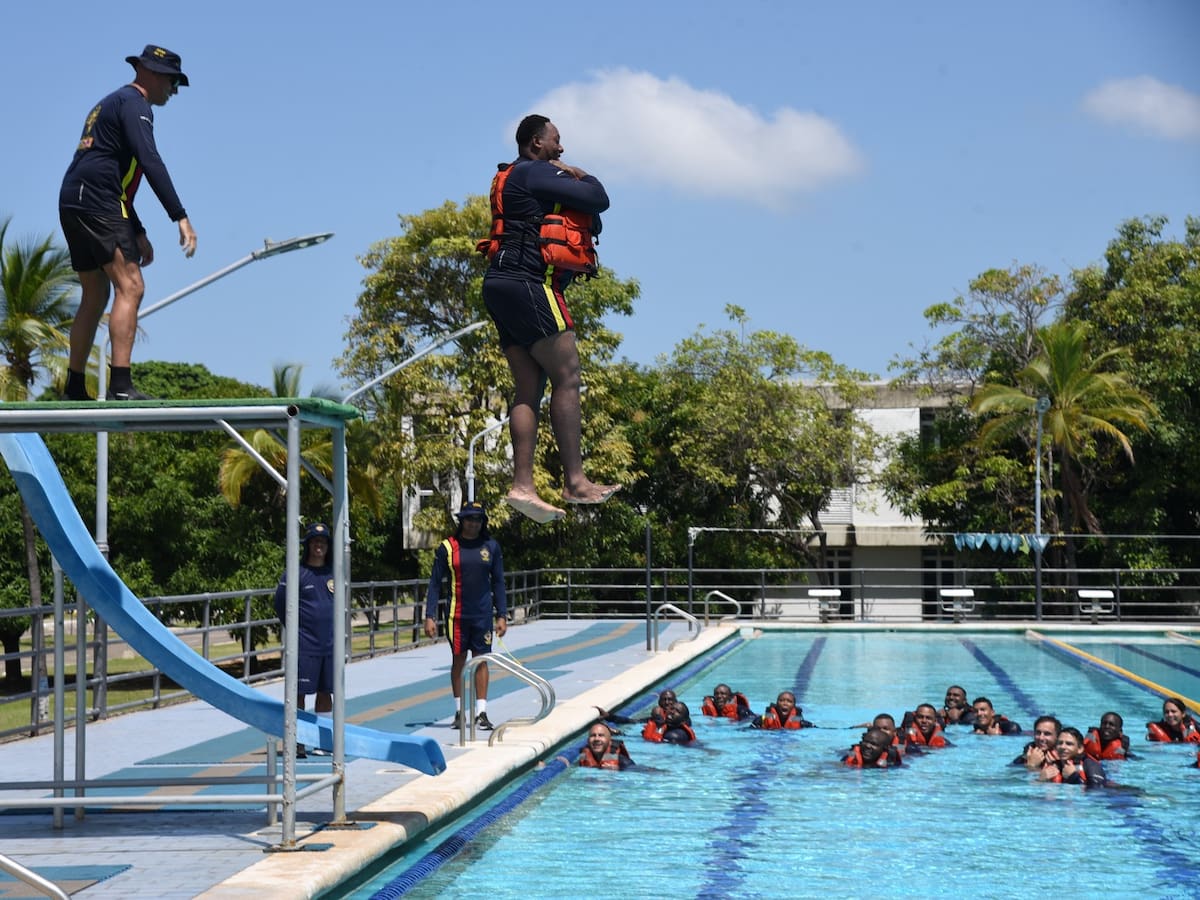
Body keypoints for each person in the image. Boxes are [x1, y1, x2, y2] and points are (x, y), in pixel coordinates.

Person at [480, 114, 620, 523]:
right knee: (568, 377)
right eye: (556, 141)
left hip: (499, 284)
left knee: (528, 387)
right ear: (536, 143)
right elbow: (598, 198)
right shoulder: (535, 172)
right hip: (529, 283)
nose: (562, 149)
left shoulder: (513, 177)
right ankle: (575, 481)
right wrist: (580, 174)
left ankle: (523, 486)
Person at [59, 45, 198, 402]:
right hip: (100, 201)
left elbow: (110, 170)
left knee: (96, 292)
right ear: (150, 73)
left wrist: (137, 230)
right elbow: (150, 161)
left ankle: (74, 387)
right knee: (131, 286)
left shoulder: (109, 102)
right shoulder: (137, 106)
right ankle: (121, 384)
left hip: (74, 198)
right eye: (172, 82)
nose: (173, 91)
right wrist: (179, 216)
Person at [424, 501, 507, 731]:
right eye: (469, 519)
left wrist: (502, 614)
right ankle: (459, 711)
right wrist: (429, 615)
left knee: (482, 661)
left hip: (482, 615)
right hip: (456, 615)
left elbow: (499, 582)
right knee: (459, 660)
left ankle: (481, 712)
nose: (473, 524)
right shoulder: (447, 548)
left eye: (478, 519)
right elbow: (434, 584)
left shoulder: (491, 546)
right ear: (462, 521)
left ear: (483, 522)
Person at [273, 522, 335, 758]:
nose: (318, 546)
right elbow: (280, 603)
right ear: (307, 545)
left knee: (325, 692)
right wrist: (295, 629)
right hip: (304, 645)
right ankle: (297, 741)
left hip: (328, 645)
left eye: (322, 542)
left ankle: (323, 741)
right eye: (314, 542)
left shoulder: (333, 573)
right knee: (299, 693)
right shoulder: (296, 573)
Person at [1039, 726, 1107, 788]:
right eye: (1060, 743)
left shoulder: (1091, 766)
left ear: (1080, 749)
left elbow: (1097, 793)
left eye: (1069, 744)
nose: (1063, 747)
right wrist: (1041, 780)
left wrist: (1073, 777)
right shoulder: (1054, 765)